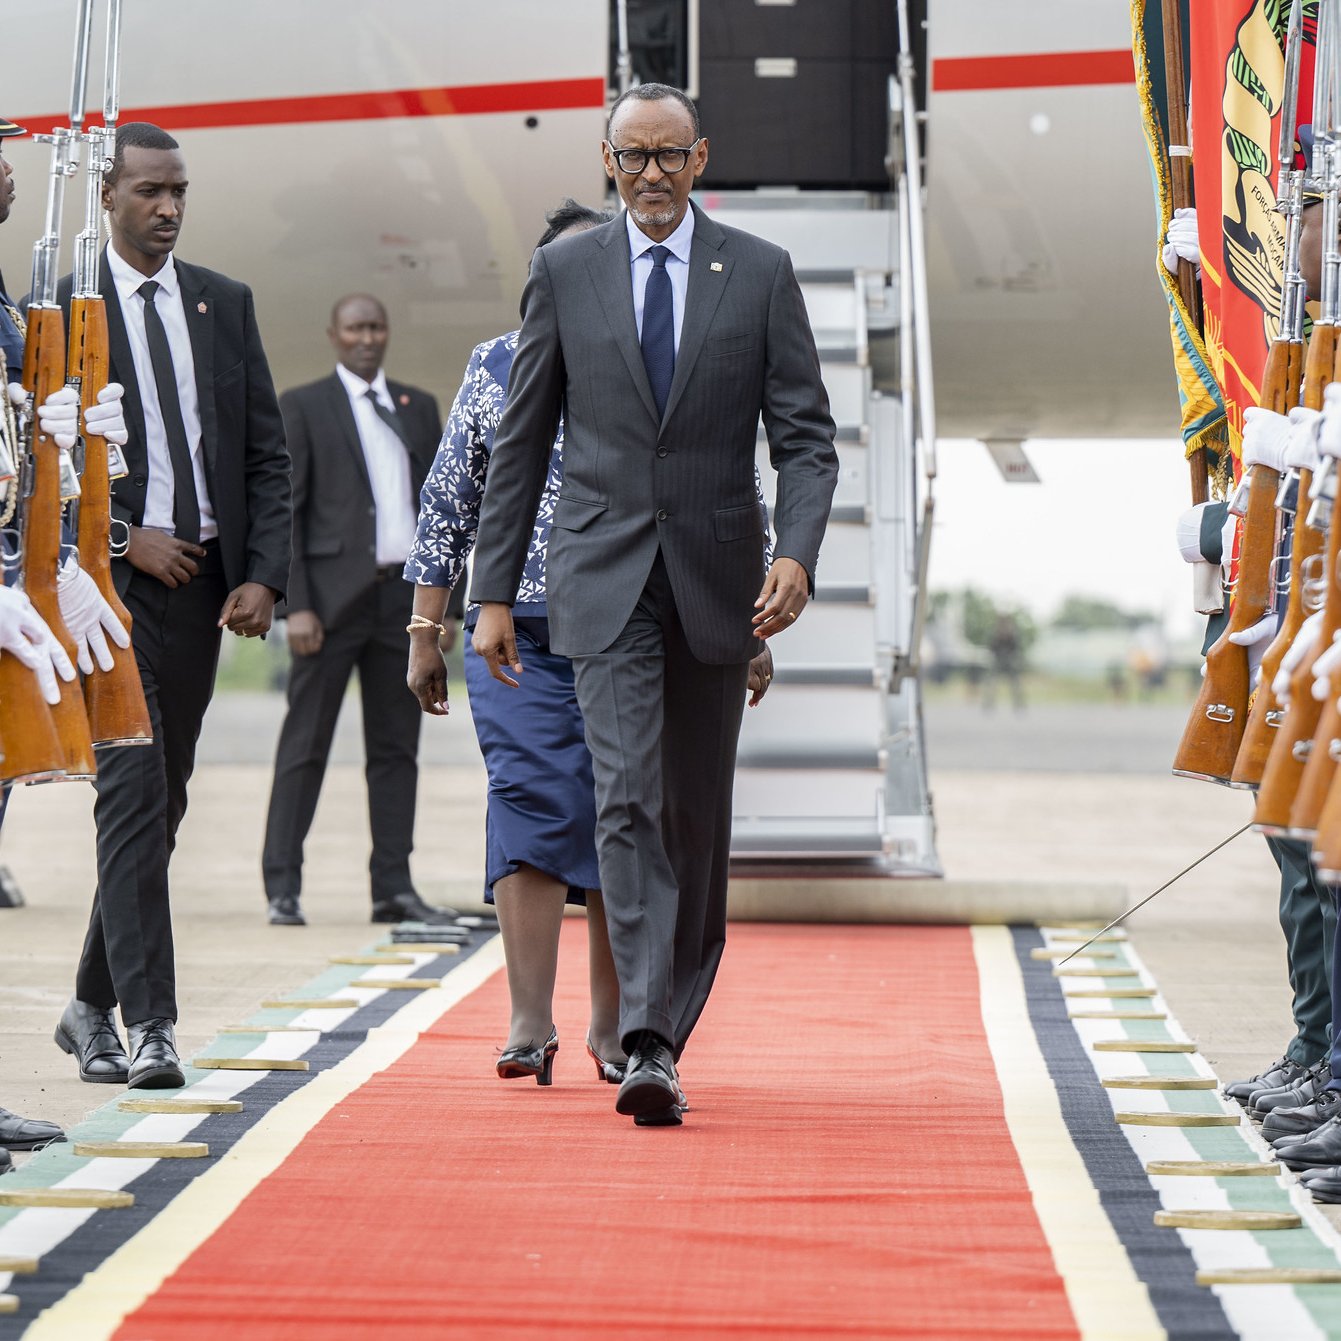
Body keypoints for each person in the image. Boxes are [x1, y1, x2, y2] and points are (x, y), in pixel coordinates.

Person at [469, 85, 838, 1126]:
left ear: (701, 158)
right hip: (602, 579)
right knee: (624, 796)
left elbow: (806, 439)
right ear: (608, 162)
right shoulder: (566, 272)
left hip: (718, 584)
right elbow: (523, 442)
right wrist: (492, 591)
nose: (652, 175)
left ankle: (666, 1017)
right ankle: (645, 1041)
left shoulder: (759, 275)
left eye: (670, 156)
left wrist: (797, 555)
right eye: (633, 157)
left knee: (692, 819)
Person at [52, 123, 291, 1090]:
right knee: (133, 796)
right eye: (150, 191)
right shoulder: (60, 311)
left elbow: (264, 452)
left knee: (163, 804)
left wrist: (264, 573)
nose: (169, 208)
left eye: (179, 191)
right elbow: (41, 472)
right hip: (105, 596)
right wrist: (119, 540)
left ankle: (83, 1002)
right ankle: (149, 1024)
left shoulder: (222, 304)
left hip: (202, 595)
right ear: (108, 195)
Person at [261, 294, 455, 928]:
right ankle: (283, 884)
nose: (366, 338)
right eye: (354, 329)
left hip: (402, 603)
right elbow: (287, 510)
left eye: (376, 326)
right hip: (331, 602)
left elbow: (446, 514)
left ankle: (392, 887)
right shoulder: (306, 405)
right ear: (334, 335)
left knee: (397, 749)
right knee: (305, 744)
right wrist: (298, 607)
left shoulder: (416, 406)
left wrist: (440, 606)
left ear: (387, 332)